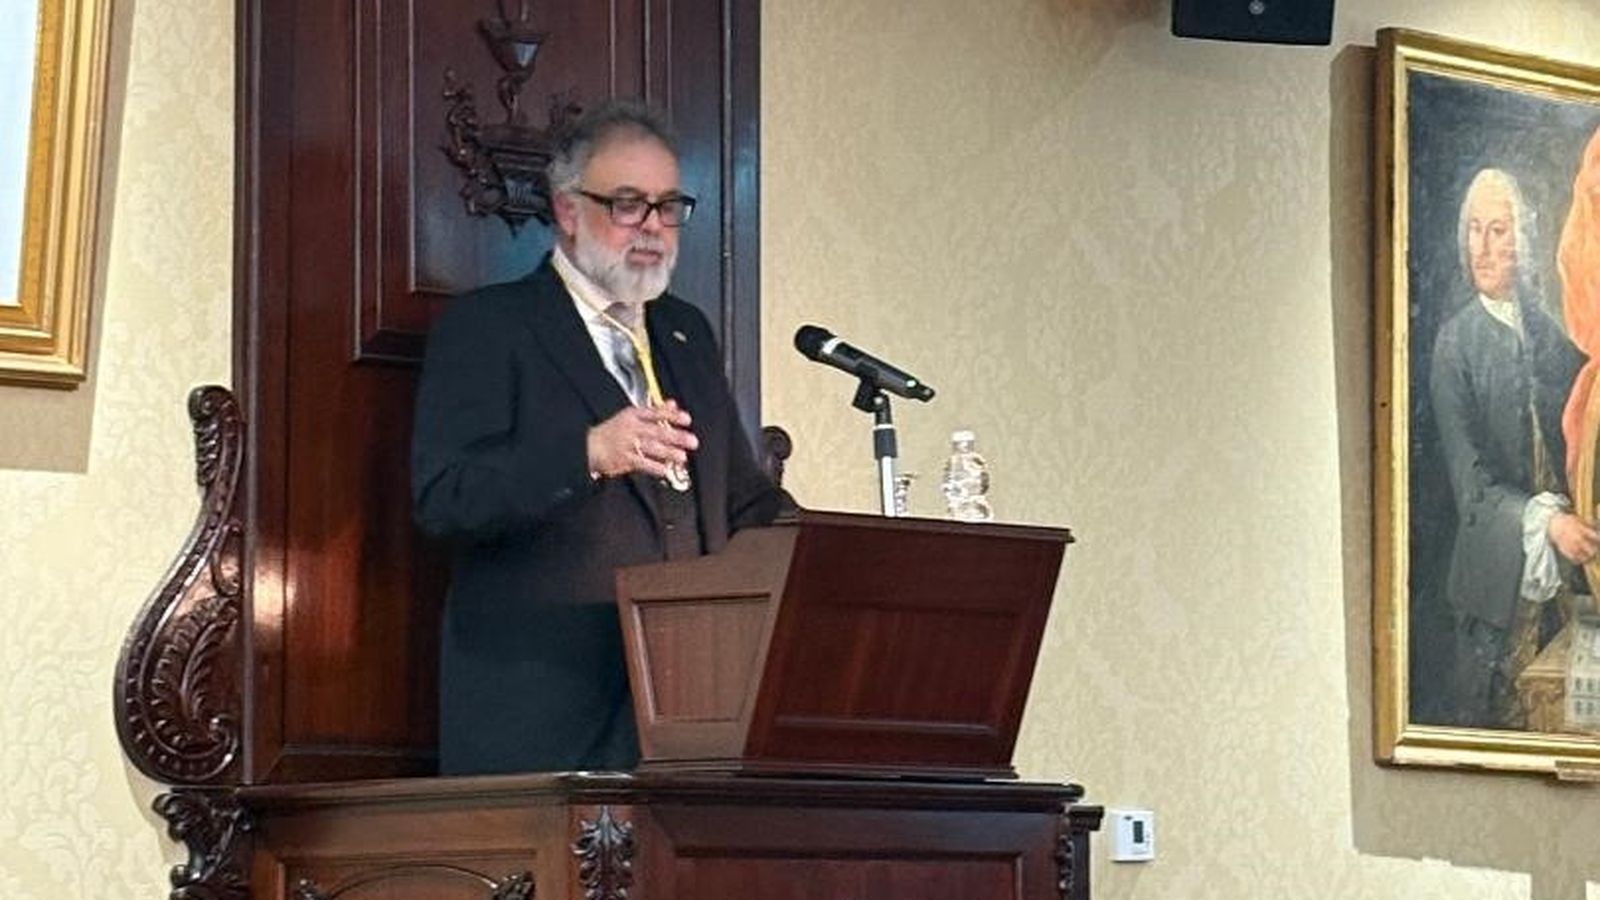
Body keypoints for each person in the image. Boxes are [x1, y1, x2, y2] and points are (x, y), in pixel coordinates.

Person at [411, 100, 790, 775]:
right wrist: (588, 454)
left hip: (687, 717)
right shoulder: (491, 326)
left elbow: (741, 502)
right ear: (566, 210)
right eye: (628, 204)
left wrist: (839, 556)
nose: (653, 228)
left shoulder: (685, 331)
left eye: (669, 206)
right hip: (542, 719)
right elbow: (447, 498)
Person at [1430, 167, 1597, 729]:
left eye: (1498, 230)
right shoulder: (1455, 343)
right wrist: (1551, 526)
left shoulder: (1552, 337)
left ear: (1522, 239)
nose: (1482, 246)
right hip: (1491, 599)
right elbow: (1471, 488)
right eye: (1474, 230)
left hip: (1565, 593)